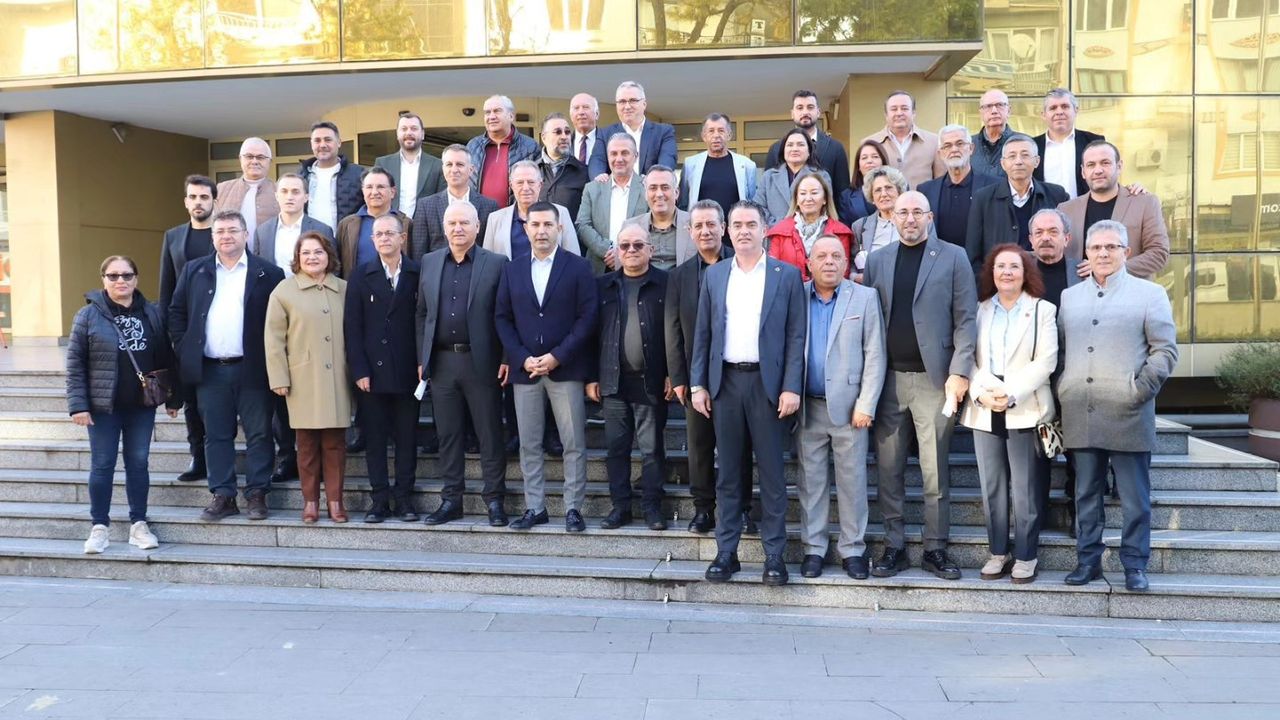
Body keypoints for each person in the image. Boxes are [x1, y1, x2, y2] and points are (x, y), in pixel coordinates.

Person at [691, 201, 806, 586]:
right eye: (737, 224)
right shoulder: (715, 274)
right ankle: (727, 552)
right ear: (727, 230)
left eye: (750, 224)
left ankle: (774, 556)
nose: (743, 230)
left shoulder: (786, 276)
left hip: (768, 386)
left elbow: (796, 336)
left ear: (764, 229)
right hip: (725, 384)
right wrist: (698, 383)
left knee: (772, 474)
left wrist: (791, 385)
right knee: (728, 474)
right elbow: (703, 332)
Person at [1058, 221, 1178, 592]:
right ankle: (1088, 561)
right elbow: (1060, 351)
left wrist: (1139, 390)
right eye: (1096, 247)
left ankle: (1134, 565)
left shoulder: (1150, 293)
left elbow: (1165, 350)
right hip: (1081, 411)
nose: (1104, 254)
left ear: (1126, 252)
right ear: (1086, 253)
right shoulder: (1069, 297)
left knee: (1134, 499)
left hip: (1129, 411)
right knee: (1085, 495)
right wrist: (1063, 388)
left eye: (1112, 247)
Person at [863, 192, 977, 580]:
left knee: (935, 472)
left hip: (935, 381)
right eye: (902, 212)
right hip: (888, 382)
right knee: (889, 470)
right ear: (892, 217)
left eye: (917, 212)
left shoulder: (954, 257)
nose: (909, 219)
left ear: (929, 216)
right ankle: (894, 546)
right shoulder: (878, 260)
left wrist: (960, 372)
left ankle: (935, 548)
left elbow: (966, 319)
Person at [169, 210, 285, 523]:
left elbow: (281, 321)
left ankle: (257, 493)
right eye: (220, 231)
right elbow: (176, 312)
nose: (226, 236)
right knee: (216, 435)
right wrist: (185, 346)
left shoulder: (269, 273)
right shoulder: (195, 270)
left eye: (233, 230)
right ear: (213, 237)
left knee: (259, 433)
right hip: (210, 370)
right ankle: (223, 495)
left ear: (246, 235)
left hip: (254, 368)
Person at [494, 202, 598, 532]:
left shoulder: (579, 267)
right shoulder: (512, 270)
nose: (541, 231)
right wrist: (521, 357)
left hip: (565, 368)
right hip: (525, 370)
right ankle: (535, 507)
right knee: (529, 443)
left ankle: (573, 508)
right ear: (526, 229)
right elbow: (502, 318)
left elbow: (588, 317)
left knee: (573, 442)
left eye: (547, 225)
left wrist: (558, 356)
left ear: (559, 228)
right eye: (535, 225)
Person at [67, 256, 181, 554]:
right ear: (103, 279)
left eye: (127, 275)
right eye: (113, 275)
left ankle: (138, 524)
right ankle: (99, 527)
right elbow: (75, 364)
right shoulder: (87, 315)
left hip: (141, 406)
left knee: (138, 463)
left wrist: (173, 397)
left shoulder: (152, 313)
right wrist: (78, 405)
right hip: (103, 407)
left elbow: (166, 357)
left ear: (136, 278)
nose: (121, 281)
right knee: (102, 465)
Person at [960, 244, 1058, 584]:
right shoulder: (978, 310)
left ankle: (1027, 555)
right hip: (985, 404)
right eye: (1000, 266)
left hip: (1025, 404)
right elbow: (967, 356)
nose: (1006, 272)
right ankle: (998, 552)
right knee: (993, 485)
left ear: (1025, 272)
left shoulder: (1042, 309)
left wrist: (1011, 393)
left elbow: (1046, 360)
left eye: (1014, 266)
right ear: (991, 272)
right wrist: (982, 391)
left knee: (1025, 486)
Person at [794, 237, 886, 580]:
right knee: (811, 482)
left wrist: (867, 403)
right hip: (807, 407)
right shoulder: (796, 295)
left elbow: (875, 353)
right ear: (809, 263)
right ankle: (814, 549)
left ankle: (853, 550)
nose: (829, 261)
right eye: (821, 256)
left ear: (846, 263)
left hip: (851, 410)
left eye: (836, 256)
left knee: (852, 482)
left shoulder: (865, 297)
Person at [416, 202, 511, 528]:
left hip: (481, 362)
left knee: (489, 434)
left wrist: (506, 357)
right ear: (444, 228)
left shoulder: (496, 264)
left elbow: (506, 314)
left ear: (477, 227)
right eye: (452, 223)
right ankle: (451, 500)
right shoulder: (429, 262)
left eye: (465, 223)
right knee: (448, 435)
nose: (458, 228)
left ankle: (494, 500)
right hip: (442, 363)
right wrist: (422, 357)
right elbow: (422, 314)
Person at [665, 200, 757, 535]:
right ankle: (703, 508)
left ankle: (741, 508)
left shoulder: (745, 267)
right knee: (700, 445)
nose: (705, 231)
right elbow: (672, 330)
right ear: (690, 231)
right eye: (699, 226)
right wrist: (679, 378)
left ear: (724, 228)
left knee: (739, 447)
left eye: (711, 224)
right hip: (697, 376)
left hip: (736, 374)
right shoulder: (678, 276)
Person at [265, 232, 353, 524]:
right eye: (306, 253)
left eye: (318, 252)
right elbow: (274, 339)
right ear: (297, 258)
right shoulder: (284, 291)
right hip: (302, 379)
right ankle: (311, 503)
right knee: (306, 445)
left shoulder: (344, 289)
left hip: (338, 377)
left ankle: (336, 502)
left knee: (335, 444)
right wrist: (279, 377)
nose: (312, 257)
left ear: (329, 255)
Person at [588, 223, 670, 530]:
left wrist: (673, 375)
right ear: (616, 251)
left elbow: (675, 335)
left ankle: (652, 506)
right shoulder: (603, 286)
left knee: (652, 449)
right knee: (616, 449)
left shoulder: (666, 284)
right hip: (613, 381)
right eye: (625, 246)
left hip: (651, 381)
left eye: (638, 245)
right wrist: (591, 376)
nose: (631, 250)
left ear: (651, 249)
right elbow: (591, 334)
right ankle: (620, 507)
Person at [345, 214, 421, 523]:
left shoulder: (417, 272)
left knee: (406, 439)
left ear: (403, 238)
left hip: (408, 371)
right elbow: (352, 328)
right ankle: (379, 500)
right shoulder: (360, 275)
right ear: (372, 240)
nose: (385, 238)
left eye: (391, 233)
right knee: (374, 440)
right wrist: (359, 370)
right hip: (372, 374)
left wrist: (423, 365)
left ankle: (403, 498)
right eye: (379, 234)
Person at [159, 174, 216, 483]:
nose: (198, 202)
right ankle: (199, 458)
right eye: (193, 197)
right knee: (191, 400)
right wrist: (170, 332)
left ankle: (220, 455)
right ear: (185, 201)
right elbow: (166, 287)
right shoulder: (173, 237)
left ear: (214, 201)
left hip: (221, 328)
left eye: (204, 197)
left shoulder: (224, 233)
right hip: (187, 333)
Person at [1059, 140, 1170, 280]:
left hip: (1129, 291)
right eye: (1091, 165)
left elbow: (1159, 253)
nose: (1098, 170)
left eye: (1105, 163)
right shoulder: (1066, 210)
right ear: (1083, 172)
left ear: (1119, 166)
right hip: (1080, 290)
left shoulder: (1145, 203)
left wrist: (1112, 269)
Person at [965, 134, 1069, 272]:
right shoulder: (983, 198)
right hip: (999, 279)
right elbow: (973, 251)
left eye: (1025, 155)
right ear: (1003, 163)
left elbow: (1067, 241)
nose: (1018, 161)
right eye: (1012, 156)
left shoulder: (1057, 195)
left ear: (1037, 161)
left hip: (1045, 276)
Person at [918, 124, 1000, 248]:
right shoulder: (926, 191)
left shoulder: (994, 186)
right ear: (940, 153)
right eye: (947, 146)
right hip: (939, 259)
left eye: (960, 143)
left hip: (980, 259)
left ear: (971, 148)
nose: (954, 149)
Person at [410, 144, 498, 258]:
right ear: (443, 169)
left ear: (471, 170)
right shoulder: (425, 206)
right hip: (437, 269)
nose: (454, 170)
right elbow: (418, 253)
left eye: (460, 164)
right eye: (449, 164)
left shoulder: (490, 206)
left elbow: (491, 251)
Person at [576, 134, 647, 273]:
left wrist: (624, 252)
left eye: (625, 153)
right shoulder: (592, 188)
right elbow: (582, 225)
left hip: (637, 267)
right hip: (600, 265)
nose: (619, 159)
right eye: (613, 153)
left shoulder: (647, 188)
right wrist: (607, 250)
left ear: (636, 156)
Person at [483, 160, 581, 259]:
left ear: (540, 185)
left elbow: (574, 258)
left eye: (531, 182)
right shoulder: (495, 219)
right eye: (520, 183)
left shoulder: (561, 213)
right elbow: (487, 261)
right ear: (512, 186)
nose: (526, 188)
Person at [766, 173, 854, 282]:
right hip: (788, 291)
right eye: (803, 193)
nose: (808, 198)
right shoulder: (780, 232)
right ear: (797, 199)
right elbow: (773, 274)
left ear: (825, 199)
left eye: (814, 193)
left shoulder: (840, 233)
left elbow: (842, 274)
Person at [766, 90, 851, 198]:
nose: (805, 112)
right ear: (792, 113)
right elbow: (768, 188)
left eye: (810, 107)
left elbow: (843, 193)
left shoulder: (835, 148)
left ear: (818, 112)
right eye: (800, 108)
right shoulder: (776, 149)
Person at [588, 81, 677, 180]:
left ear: (644, 104)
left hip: (650, 188)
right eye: (622, 101)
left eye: (633, 100)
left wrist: (654, 178)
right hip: (616, 189)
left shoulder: (663, 132)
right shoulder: (605, 134)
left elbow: (667, 162)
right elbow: (597, 161)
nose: (627, 107)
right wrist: (599, 177)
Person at [336, 167, 412, 279]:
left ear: (392, 192)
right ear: (363, 191)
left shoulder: (406, 224)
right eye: (369, 187)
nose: (374, 192)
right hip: (357, 287)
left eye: (380, 187)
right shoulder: (346, 225)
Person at [678, 114, 759, 217]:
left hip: (735, 226)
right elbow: (683, 204)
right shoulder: (690, 164)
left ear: (729, 135)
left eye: (721, 130)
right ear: (704, 136)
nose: (716, 135)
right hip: (702, 225)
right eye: (711, 131)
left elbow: (752, 203)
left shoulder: (747, 165)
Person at [466, 95, 539, 208]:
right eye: (487, 112)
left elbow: (539, 184)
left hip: (515, 216)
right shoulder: (473, 146)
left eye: (497, 111)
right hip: (478, 215)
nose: (491, 116)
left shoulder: (530, 146)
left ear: (511, 116)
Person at [254, 174, 335, 273]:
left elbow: (333, 268)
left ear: (306, 197)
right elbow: (257, 267)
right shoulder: (262, 231)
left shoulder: (322, 230)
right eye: (284, 191)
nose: (289, 197)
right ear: (276, 196)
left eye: (295, 192)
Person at [862, 90, 944, 188]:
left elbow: (941, 182)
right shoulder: (870, 144)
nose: (899, 113)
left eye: (904, 108)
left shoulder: (934, 142)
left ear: (913, 113)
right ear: (886, 115)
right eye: (894, 109)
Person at [1033, 88, 1105, 199]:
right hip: (1046, 209)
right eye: (1053, 108)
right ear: (1043, 115)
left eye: (1065, 106)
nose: (1059, 112)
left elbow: (1108, 176)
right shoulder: (1033, 146)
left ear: (1076, 110)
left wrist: (1128, 190)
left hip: (1086, 208)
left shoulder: (1093, 142)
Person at [753, 128, 832, 226]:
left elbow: (827, 208)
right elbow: (758, 207)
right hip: (774, 231)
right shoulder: (768, 177)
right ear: (783, 150)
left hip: (810, 232)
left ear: (809, 151)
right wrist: (777, 225)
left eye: (800, 144)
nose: (795, 149)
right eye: (790, 145)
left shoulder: (821, 176)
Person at [374, 113, 445, 219]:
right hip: (390, 225)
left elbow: (441, 202)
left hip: (425, 226)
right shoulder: (382, 164)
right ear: (397, 134)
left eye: (414, 128)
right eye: (404, 129)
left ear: (422, 134)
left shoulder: (437, 165)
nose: (409, 132)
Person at [298, 121, 365, 232]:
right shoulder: (301, 176)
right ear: (311, 144)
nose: (322, 145)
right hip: (310, 240)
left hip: (345, 240)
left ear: (339, 142)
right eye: (317, 140)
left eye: (328, 140)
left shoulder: (358, 174)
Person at [214, 137, 279, 249]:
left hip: (268, 256)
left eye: (261, 157)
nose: (254, 161)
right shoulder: (221, 189)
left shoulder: (280, 191)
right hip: (231, 256)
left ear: (270, 161)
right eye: (249, 156)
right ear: (240, 159)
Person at [625, 165, 691, 271]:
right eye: (653, 188)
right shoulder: (629, 227)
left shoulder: (695, 224)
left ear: (676, 193)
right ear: (646, 194)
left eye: (665, 187)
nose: (659, 194)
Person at [849, 166, 909, 276]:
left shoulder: (914, 222)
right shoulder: (859, 226)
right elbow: (851, 263)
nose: (883, 194)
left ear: (899, 192)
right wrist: (855, 277)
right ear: (872, 198)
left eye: (888, 188)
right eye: (878, 190)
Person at [535, 112, 590, 221]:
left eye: (567, 132)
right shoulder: (532, 171)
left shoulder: (584, 172)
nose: (564, 136)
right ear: (544, 138)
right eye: (558, 132)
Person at [837, 140, 888, 224]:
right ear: (859, 166)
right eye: (864, 158)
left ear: (883, 161)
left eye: (875, 156)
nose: (870, 161)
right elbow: (844, 228)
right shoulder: (846, 197)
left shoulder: (898, 188)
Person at [971, 89, 1014, 178]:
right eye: (988, 106)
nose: (994, 111)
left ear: (1009, 111)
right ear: (981, 113)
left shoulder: (1023, 143)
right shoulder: (968, 145)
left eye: (1000, 105)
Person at [569, 92, 601, 165]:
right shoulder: (565, 143)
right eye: (576, 108)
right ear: (571, 116)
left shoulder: (607, 141)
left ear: (596, 114)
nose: (581, 112)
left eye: (586, 107)